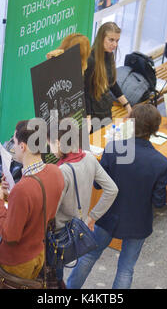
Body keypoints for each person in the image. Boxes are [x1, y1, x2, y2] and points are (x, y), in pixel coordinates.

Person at [66, 103, 167, 289]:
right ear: (155, 129)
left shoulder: (113, 148)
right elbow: (159, 201)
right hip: (139, 223)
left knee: (88, 256)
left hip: (108, 217)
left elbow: (98, 184)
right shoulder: (161, 163)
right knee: (126, 269)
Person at [0, 120, 64, 280]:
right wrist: (11, 194)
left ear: (23, 146)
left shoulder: (23, 189)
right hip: (38, 252)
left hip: (16, 261)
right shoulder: (55, 172)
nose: (14, 146)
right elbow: (39, 208)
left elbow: (10, 235)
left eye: (15, 142)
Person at [47, 118, 118, 285]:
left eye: (50, 144)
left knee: (53, 278)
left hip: (57, 235)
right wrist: (92, 217)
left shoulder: (62, 170)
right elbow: (112, 189)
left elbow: (51, 210)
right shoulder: (89, 157)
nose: (50, 150)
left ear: (58, 142)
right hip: (78, 229)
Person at [84, 22, 133, 131]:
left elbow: (112, 83)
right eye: (111, 40)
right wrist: (87, 119)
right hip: (93, 114)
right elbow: (84, 92)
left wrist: (127, 106)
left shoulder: (109, 54)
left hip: (105, 109)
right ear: (101, 38)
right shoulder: (90, 60)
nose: (115, 45)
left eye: (117, 41)